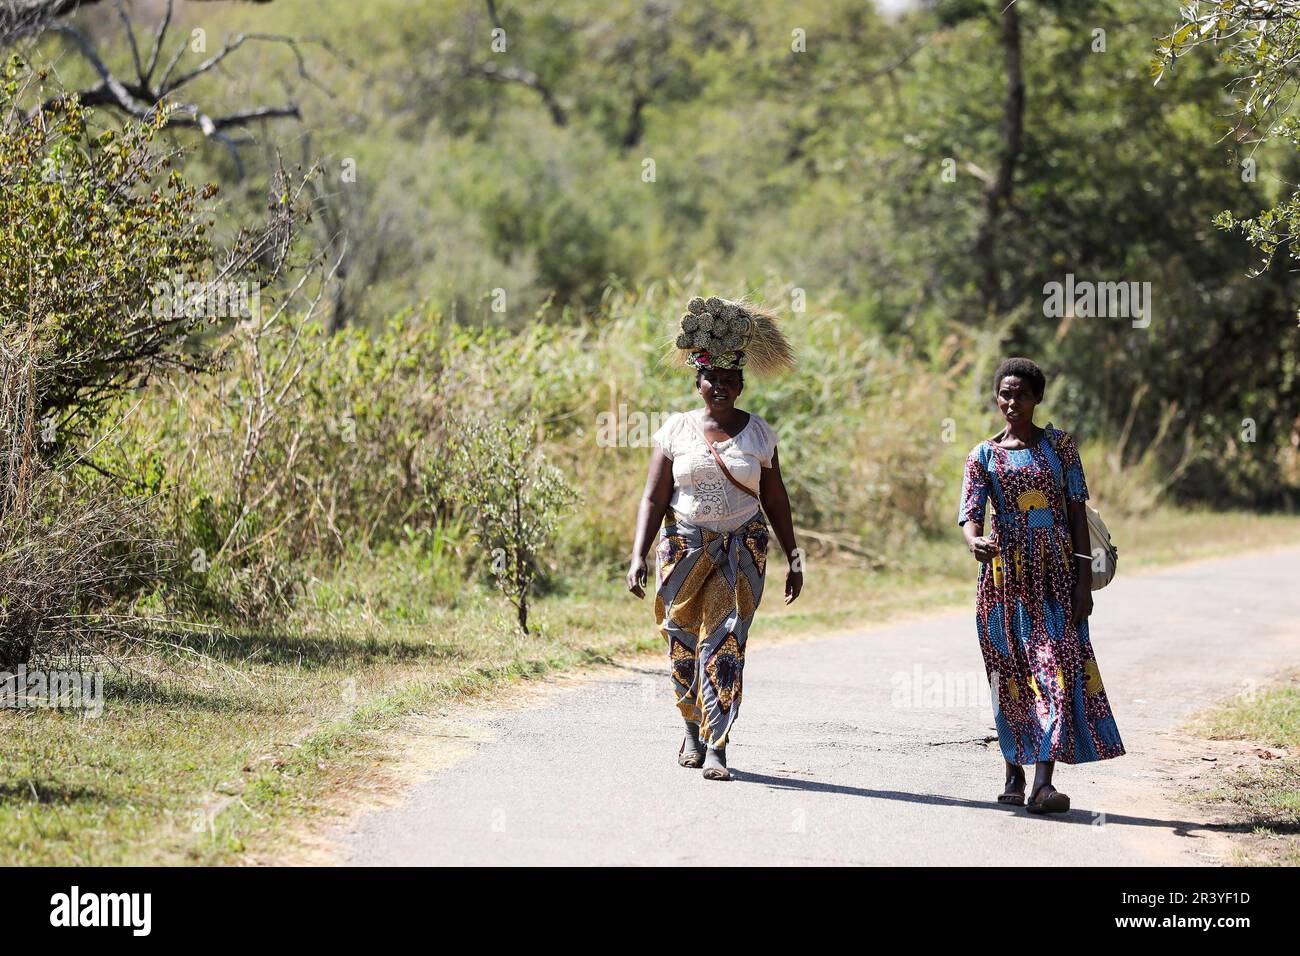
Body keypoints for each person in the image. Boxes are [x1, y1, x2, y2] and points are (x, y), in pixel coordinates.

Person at [626, 296, 801, 781]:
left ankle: (719, 743)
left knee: (725, 644)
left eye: (729, 381)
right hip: (682, 548)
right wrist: (638, 554)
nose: (720, 388)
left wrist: (795, 556)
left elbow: (777, 499)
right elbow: (652, 498)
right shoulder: (675, 430)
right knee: (681, 641)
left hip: (740, 551)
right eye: (711, 380)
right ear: (698, 382)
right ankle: (691, 729)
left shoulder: (759, 434)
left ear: (742, 383)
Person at [958, 357, 1125, 813]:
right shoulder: (983, 455)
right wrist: (976, 541)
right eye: (1005, 393)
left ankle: (1042, 784)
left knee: (1053, 669)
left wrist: (1083, 581)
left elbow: (1075, 512)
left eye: (1021, 394)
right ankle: (1014, 769)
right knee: (1009, 676)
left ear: (1037, 399)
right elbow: (970, 514)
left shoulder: (1061, 447)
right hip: (1001, 581)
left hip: (1054, 575)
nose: (1012, 402)